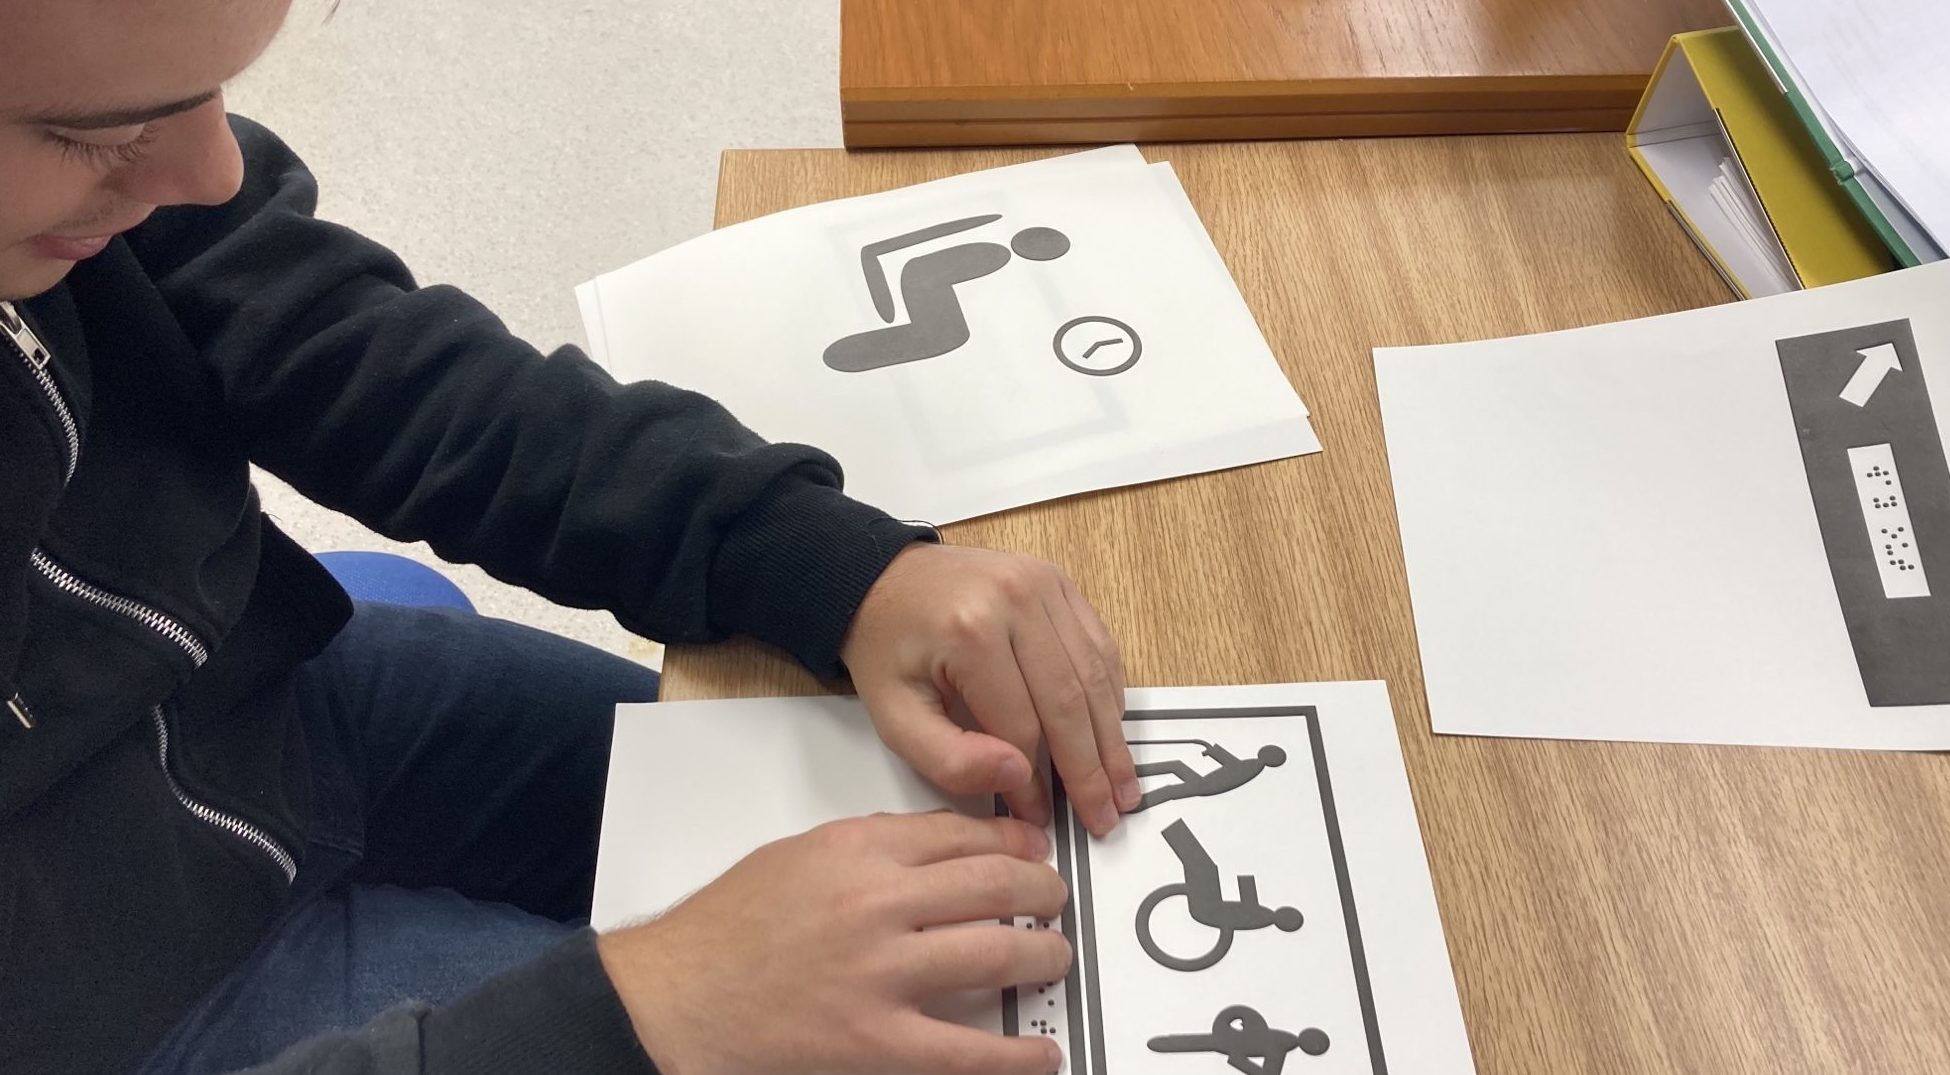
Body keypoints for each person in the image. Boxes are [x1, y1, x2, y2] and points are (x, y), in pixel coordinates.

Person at [0, 2, 1144, 1073]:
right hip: (127, 1022)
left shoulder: (135, 177)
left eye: (218, 90)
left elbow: (358, 353)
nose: (215, 170)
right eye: (88, 133)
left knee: (888, 827)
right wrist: (634, 1013)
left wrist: (823, 557)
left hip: (278, 709)